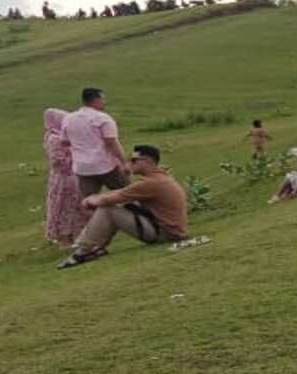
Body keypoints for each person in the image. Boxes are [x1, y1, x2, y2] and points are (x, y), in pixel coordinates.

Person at [57, 146, 188, 268]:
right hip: (168, 230)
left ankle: (83, 251)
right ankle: (96, 247)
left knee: (108, 209)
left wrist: (91, 200)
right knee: (115, 206)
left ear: (148, 161)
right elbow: (123, 193)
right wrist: (97, 199)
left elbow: (114, 197)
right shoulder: (159, 178)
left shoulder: (151, 183)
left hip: (165, 234)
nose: (130, 164)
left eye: (134, 160)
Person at [61, 87, 128, 197]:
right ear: (96, 100)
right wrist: (124, 162)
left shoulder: (69, 118)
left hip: (82, 168)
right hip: (104, 165)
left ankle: (96, 214)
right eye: (103, 99)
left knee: (90, 202)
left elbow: (64, 141)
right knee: (127, 194)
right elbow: (111, 143)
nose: (104, 102)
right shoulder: (103, 118)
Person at [42, 109, 90, 245]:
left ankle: (77, 237)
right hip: (63, 179)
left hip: (74, 176)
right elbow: (58, 161)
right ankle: (64, 240)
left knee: (76, 206)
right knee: (64, 206)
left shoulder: (66, 136)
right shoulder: (54, 138)